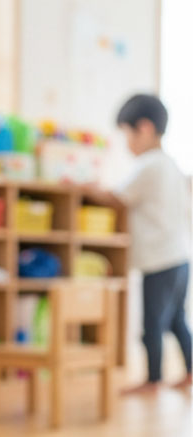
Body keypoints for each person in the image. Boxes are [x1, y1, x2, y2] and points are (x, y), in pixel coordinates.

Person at [83, 94, 192, 393]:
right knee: (176, 319)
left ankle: (152, 379)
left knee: (153, 324)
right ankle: (189, 371)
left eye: (126, 135)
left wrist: (90, 189)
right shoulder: (171, 165)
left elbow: (118, 198)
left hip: (159, 260)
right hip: (180, 257)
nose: (127, 144)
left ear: (143, 128)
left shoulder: (149, 165)